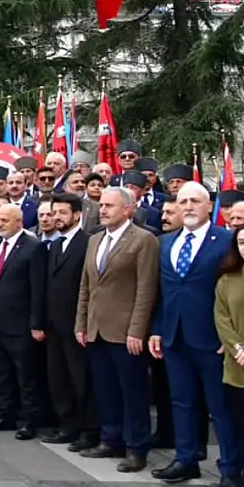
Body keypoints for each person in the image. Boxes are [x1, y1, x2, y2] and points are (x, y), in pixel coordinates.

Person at [150, 181, 241, 485]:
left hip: (213, 341)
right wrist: (157, 330)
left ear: (208, 206)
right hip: (175, 339)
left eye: (194, 201)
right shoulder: (166, 242)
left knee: (221, 409)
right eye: (182, 201)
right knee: (182, 402)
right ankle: (185, 459)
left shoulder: (226, 240)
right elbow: (163, 292)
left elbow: (234, 291)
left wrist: (229, 338)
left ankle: (229, 469)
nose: (187, 206)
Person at [75, 187, 157, 472]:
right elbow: (87, 285)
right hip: (96, 328)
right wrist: (81, 323)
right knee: (105, 388)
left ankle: (136, 446)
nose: (103, 210)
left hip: (125, 330)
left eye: (110, 205)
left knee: (132, 390)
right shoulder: (95, 239)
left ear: (128, 209)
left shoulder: (143, 240)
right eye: (102, 205)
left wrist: (137, 330)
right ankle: (111, 438)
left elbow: (146, 289)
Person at [0, 204, 43, 440]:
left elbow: (37, 289)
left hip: (20, 323)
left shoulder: (33, 248)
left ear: (19, 221)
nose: (0, 223)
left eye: (5, 220)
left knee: (25, 375)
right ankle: (4, 414)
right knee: (0, 373)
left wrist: (37, 323)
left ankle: (28, 419)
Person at [42, 193, 98, 452]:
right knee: (58, 377)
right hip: (55, 324)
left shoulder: (87, 243)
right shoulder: (54, 245)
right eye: (54, 213)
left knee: (81, 379)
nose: (56, 218)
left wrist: (83, 322)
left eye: (62, 213)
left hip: (77, 325)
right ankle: (67, 425)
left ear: (77, 215)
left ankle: (89, 429)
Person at [215, 227, 244, 475]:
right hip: (237, 365)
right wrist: (237, 347)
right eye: (242, 242)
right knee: (236, 421)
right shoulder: (227, 279)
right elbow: (222, 318)